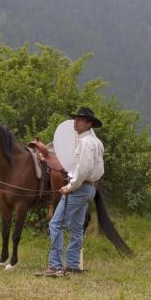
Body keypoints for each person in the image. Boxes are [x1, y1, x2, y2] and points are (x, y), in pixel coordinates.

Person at [38, 107, 105, 277]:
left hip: (79, 188)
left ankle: (55, 266)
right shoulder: (96, 142)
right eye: (75, 118)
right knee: (75, 227)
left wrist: (70, 187)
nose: (76, 121)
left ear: (89, 123)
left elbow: (83, 170)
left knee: (56, 224)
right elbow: (98, 169)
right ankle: (74, 265)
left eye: (80, 119)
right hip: (89, 188)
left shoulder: (85, 143)